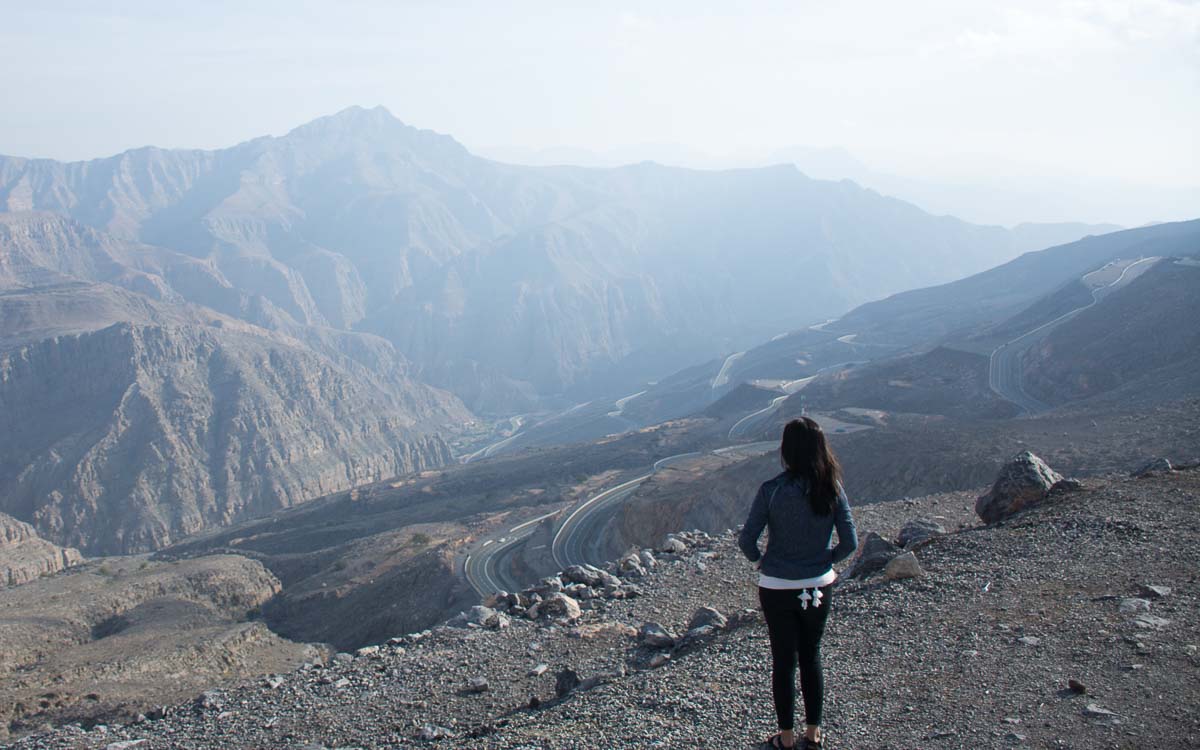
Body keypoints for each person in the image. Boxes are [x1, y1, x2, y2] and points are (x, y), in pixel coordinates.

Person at [739, 417, 858, 749]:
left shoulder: (772, 490)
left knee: (783, 660)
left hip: (776, 585)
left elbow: (747, 539)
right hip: (819, 584)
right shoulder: (832, 488)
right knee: (811, 655)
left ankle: (786, 739)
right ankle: (814, 733)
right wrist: (824, 562)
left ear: (786, 450)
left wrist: (760, 560)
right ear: (821, 448)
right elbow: (850, 541)